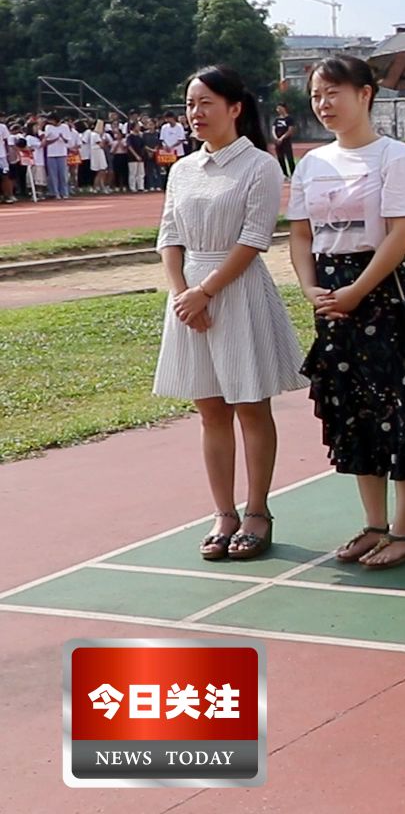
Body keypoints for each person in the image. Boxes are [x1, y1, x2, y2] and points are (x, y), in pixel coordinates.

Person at [288, 55, 405, 570]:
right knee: (352, 411)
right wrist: (311, 288)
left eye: (334, 92)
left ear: (365, 95)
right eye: (317, 94)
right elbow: (299, 236)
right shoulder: (312, 163)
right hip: (330, 299)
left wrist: (358, 289)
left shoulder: (393, 157)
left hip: (378, 294)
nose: (324, 103)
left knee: (397, 409)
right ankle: (374, 524)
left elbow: (403, 231)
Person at [154, 66, 308, 562]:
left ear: (235, 108)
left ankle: (258, 510)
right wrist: (183, 296)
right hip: (189, 301)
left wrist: (206, 291)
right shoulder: (182, 170)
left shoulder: (259, 165)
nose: (195, 114)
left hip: (235, 291)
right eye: (190, 104)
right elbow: (169, 238)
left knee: (249, 404)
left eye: (205, 104)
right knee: (210, 409)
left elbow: (254, 239)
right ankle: (224, 512)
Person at [41, 113, 74, 199]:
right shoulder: (48, 127)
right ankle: (55, 192)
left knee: (63, 174)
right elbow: (46, 139)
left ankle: (64, 192)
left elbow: (67, 140)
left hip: (62, 153)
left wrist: (62, 138)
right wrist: (54, 139)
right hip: (51, 153)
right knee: (53, 174)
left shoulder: (64, 127)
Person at [158, 112, 188, 187]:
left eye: (169, 118)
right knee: (168, 169)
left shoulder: (179, 126)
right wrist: (165, 146)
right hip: (167, 153)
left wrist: (172, 146)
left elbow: (181, 139)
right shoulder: (164, 127)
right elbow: (162, 139)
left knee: (178, 168)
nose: (167, 120)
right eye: (166, 118)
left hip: (178, 152)